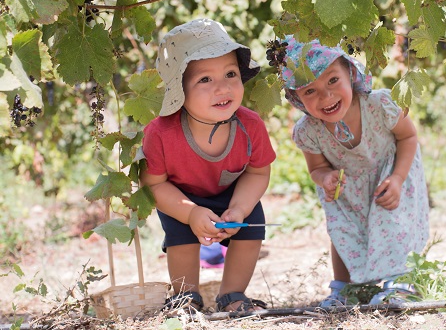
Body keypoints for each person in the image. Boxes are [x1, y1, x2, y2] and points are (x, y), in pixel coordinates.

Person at [279, 37, 429, 306]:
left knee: (391, 221)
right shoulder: (308, 130)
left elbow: (408, 138)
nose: (326, 96)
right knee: (343, 229)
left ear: (349, 73)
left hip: (390, 173)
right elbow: (316, 169)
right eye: (309, 91)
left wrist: (397, 178)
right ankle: (344, 289)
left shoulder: (380, 104)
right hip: (348, 185)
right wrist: (325, 177)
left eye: (332, 80)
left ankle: (401, 281)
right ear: (296, 98)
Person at [140, 18, 276, 312]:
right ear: (179, 90)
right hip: (181, 197)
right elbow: (154, 184)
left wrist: (239, 208)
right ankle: (185, 297)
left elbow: (258, 172)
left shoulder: (250, 125)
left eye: (230, 73)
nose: (222, 87)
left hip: (233, 193)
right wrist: (190, 213)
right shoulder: (161, 132)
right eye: (205, 79)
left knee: (251, 226)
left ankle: (233, 295)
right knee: (180, 235)